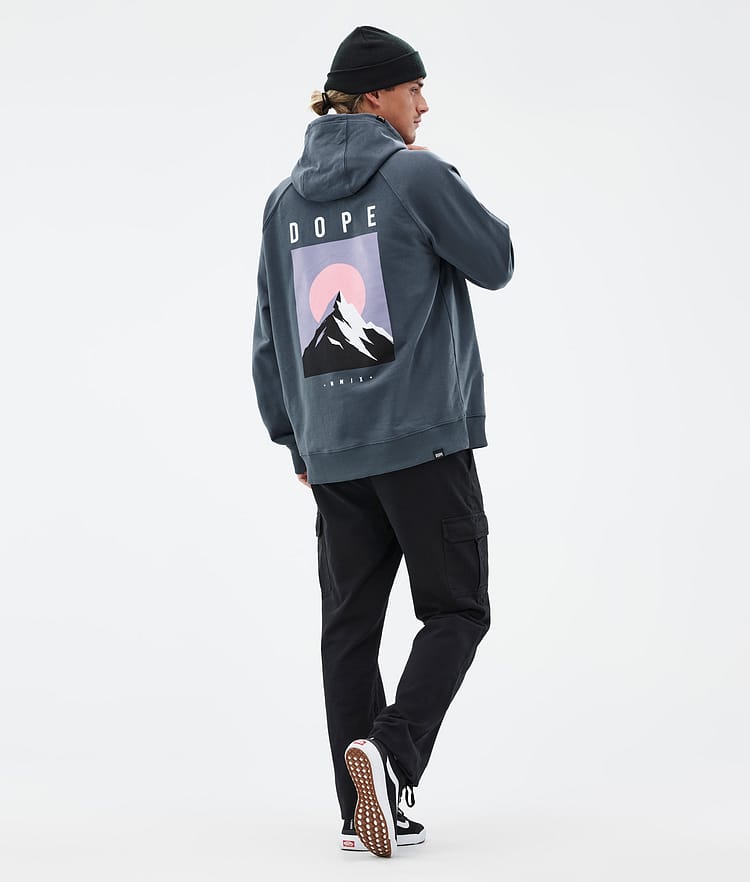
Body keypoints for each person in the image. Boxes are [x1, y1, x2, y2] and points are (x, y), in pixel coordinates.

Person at [252, 24, 514, 858]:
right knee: (458, 609)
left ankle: (358, 808)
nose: (424, 105)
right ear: (374, 97)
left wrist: (296, 439)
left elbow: (269, 334)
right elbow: (497, 261)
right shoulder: (415, 175)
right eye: (413, 90)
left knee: (350, 627)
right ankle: (392, 756)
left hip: (335, 453)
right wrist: (441, 182)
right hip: (422, 443)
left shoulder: (283, 203)